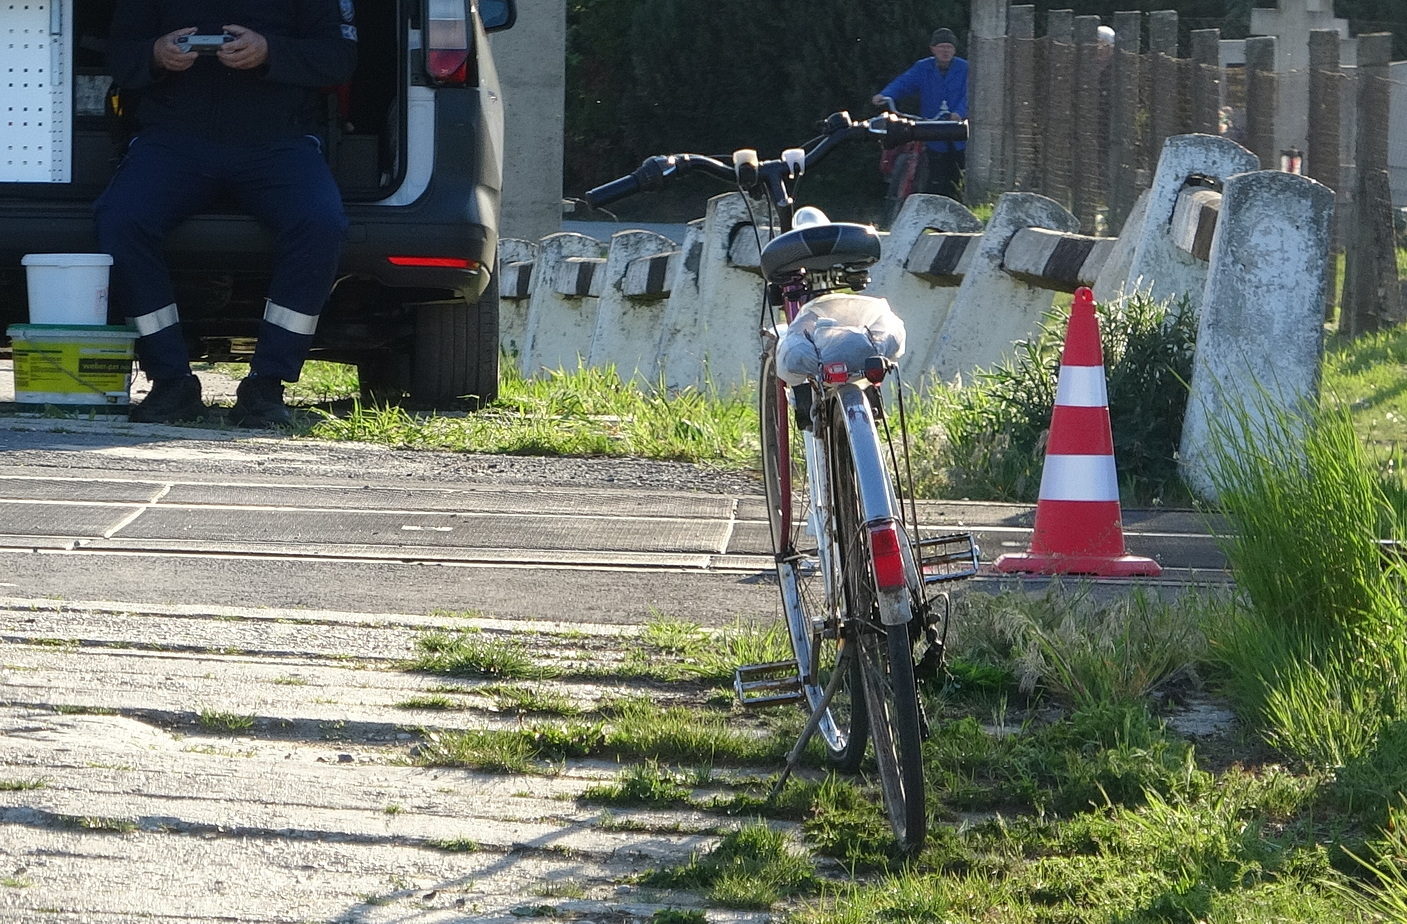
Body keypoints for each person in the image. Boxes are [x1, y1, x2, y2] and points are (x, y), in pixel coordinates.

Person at [96, 0, 358, 426]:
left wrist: (270, 50)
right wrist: (155, 54)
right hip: (172, 139)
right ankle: (170, 382)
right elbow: (120, 56)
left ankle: (267, 385)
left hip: (278, 140)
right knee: (121, 220)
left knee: (321, 223)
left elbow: (338, 59)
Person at [872, 27, 968, 202]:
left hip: (959, 132)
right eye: (941, 47)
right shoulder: (923, 67)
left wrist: (959, 113)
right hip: (931, 130)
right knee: (934, 174)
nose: (945, 51)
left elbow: (972, 94)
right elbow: (904, 83)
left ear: (954, 50)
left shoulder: (965, 68)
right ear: (933, 49)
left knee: (960, 174)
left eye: (949, 47)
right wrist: (886, 95)